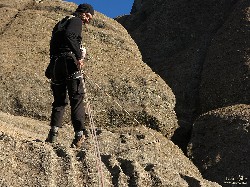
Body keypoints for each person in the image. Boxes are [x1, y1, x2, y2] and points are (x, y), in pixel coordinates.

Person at [45, 4, 94, 148]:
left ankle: (53, 135)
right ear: (83, 13)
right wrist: (79, 56)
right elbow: (70, 36)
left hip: (56, 64)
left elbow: (53, 44)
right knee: (77, 98)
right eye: (88, 17)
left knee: (59, 101)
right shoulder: (76, 21)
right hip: (69, 62)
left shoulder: (61, 22)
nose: (87, 21)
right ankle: (79, 135)